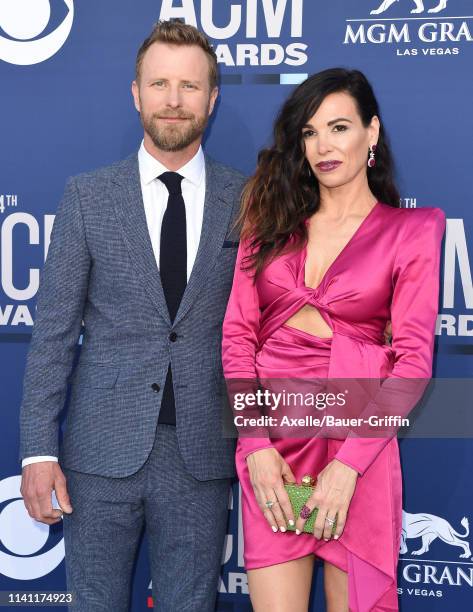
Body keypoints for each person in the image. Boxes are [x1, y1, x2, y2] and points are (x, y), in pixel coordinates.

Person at [19, 20, 245, 611]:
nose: (174, 100)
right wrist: (38, 452)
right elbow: (53, 334)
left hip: (201, 456)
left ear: (213, 97)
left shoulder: (248, 201)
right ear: (136, 93)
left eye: (190, 86)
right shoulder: (88, 197)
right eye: (160, 84)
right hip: (99, 455)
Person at [222, 68, 445, 611]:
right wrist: (254, 445)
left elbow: (413, 362)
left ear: (371, 132)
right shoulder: (268, 222)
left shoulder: (413, 231)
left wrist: (348, 467)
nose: (323, 146)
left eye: (339, 127)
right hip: (275, 454)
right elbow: (236, 338)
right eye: (310, 132)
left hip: (357, 452)